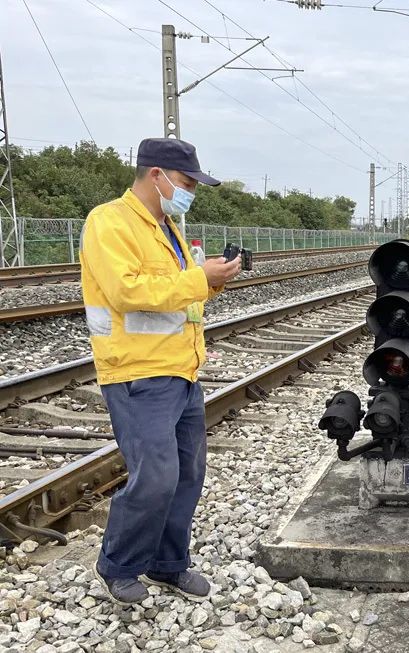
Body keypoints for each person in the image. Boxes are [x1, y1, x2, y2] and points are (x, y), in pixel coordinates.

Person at [80, 138, 241, 604]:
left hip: (182, 369)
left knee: (188, 473)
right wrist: (199, 277)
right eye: (187, 182)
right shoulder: (109, 222)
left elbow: (177, 296)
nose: (190, 191)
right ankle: (119, 565)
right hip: (136, 372)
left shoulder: (166, 227)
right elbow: (127, 291)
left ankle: (169, 564)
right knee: (156, 475)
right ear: (157, 175)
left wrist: (212, 283)